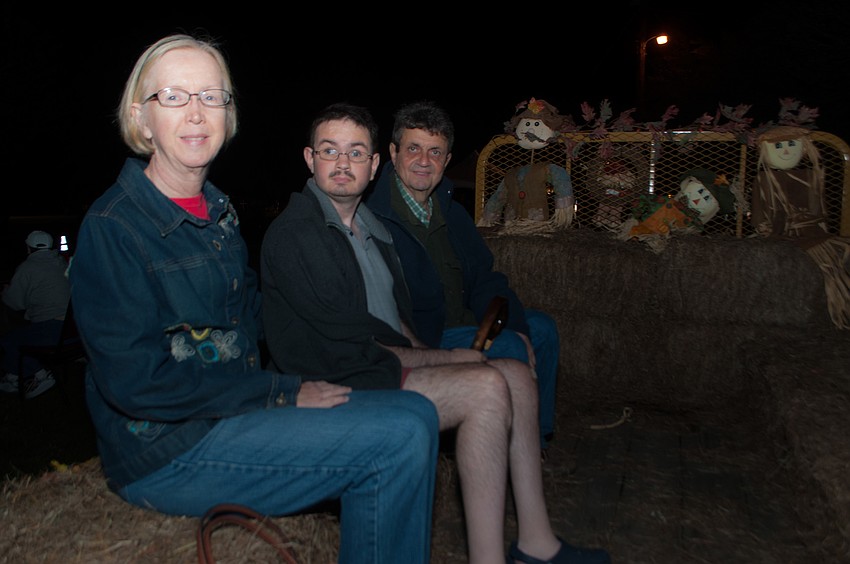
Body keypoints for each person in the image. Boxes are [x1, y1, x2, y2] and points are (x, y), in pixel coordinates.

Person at [68, 34, 439, 564]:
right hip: (165, 450)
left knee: (416, 411)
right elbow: (136, 383)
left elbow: (256, 321)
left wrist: (345, 350)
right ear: (141, 118)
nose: (196, 112)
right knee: (400, 434)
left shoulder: (218, 213)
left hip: (229, 418)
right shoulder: (115, 227)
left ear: (228, 113)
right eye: (174, 96)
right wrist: (281, 393)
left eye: (212, 96)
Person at [261, 102, 610, 564]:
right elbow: (357, 343)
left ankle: (535, 542)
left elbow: (398, 319)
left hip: (380, 361)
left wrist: (434, 352)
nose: (342, 163)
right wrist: (452, 360)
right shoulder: (300, 234)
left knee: (517, 377)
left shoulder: (367, 226)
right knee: (487, 382)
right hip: (342, 379)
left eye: (354, 152)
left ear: (372, 164)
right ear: (310, 159)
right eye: (330, 151)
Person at [365, 100, 561, 455]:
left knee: (542, 329)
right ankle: (497, 448)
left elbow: (485, 278)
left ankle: (535, 440)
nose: (424, 161)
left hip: (470, 324)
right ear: (393, 153)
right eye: (414, 149)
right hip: (425, 336)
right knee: (512, 348)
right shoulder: (373, 216)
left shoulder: (453, 214)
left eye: (435, 152)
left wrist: (512, 324)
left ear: (447, 160)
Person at [0, 230, 69, 398]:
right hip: (72, 328)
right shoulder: (61, 263)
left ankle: (40, 375)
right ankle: (13, 377)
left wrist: (5, 291)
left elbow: (15, 302)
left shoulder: (27, 268)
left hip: (53, 329)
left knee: (10, 340)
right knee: (22, 333)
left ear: (29, 248)